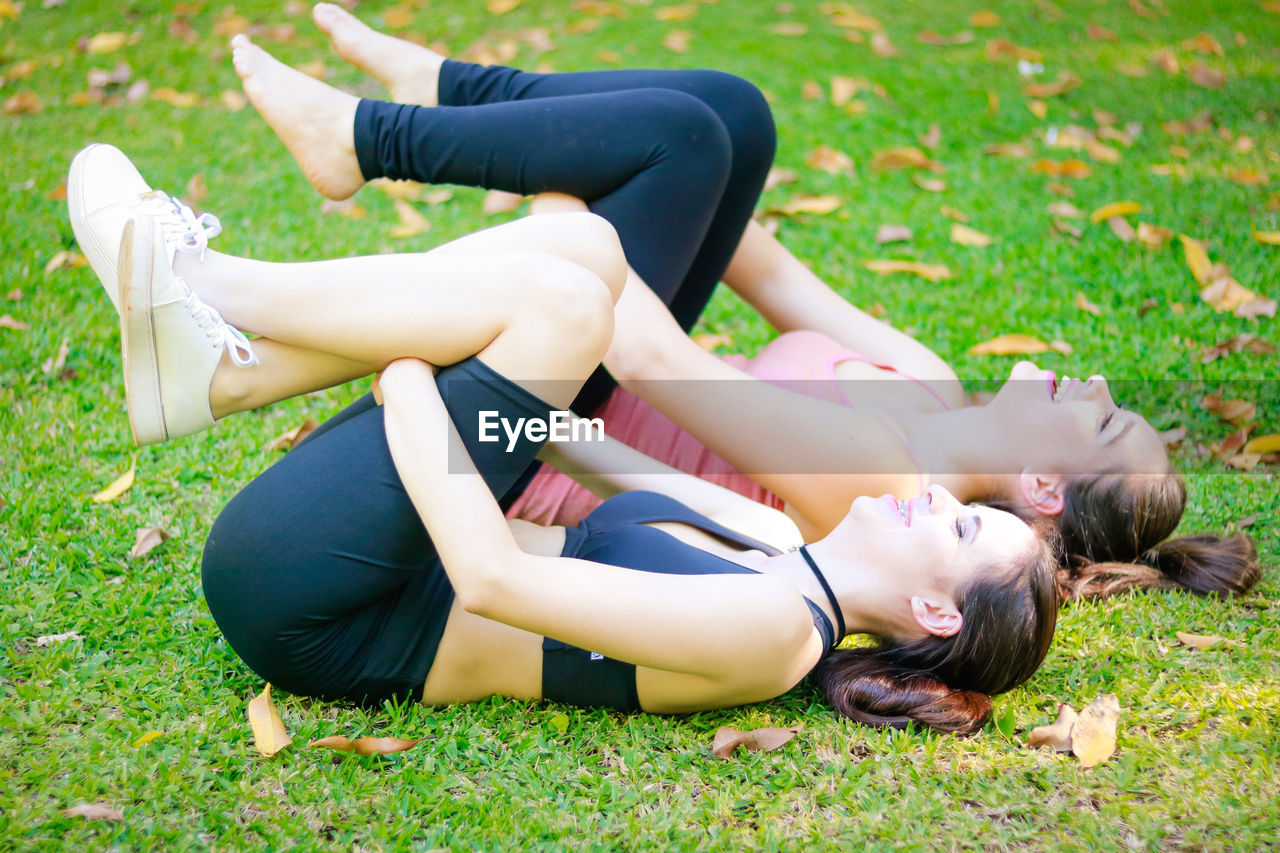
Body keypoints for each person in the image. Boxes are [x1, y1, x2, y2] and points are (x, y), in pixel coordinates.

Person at [221, 10, 1262, 603]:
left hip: (531, 426)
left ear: (1041, 483)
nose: (1089, 381)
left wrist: (569, 191)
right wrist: (572, 155)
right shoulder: (927, 388)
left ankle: (378, 137)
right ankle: (451, 94)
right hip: (593, 346)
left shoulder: (881, 475)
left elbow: (640, 348)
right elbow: (766, 273)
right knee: (727, 121)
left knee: (678, 143)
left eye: (1099, 416)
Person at [68, 145, 1059, 733]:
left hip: (327, 605)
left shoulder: (775, 633)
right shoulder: (780, 555)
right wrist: (454, 364)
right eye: (969, 510)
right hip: (393, 541)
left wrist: (416, 383)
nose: (939, 498)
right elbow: (570, 442)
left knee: (558, 307)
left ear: (932, 607)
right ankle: (214, 350)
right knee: (579, 261)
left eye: (963, 530)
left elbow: (495, 578)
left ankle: (213, 307)